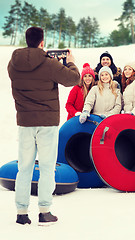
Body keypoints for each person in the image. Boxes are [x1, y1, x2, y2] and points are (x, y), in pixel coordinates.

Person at [7, 27, 80, 225]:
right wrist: (70, 62)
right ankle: (44, 212)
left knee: (24, 169)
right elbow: (74, 79)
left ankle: (21, 213)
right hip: (47, 123)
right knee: (47, 168)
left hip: (25, 123)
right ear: (42, 41)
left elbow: (29, 67)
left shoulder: (13, 64)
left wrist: (42, 56)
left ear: (26, 40)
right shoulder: (49, 64)